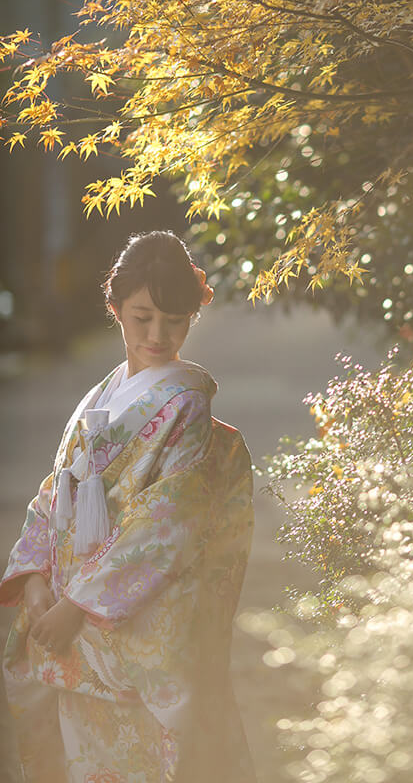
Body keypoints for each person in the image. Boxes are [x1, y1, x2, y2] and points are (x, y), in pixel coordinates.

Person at [0, 231, 257, 783]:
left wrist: (82, 605)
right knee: (84, 757)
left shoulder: (185, 403)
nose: (158, 335)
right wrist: (38, 575)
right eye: (142, 317)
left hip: (129, 620)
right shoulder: (102, 394)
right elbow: (57, 488)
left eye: (175, 319)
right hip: (69, 611)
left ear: (193, 316)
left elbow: (168, 520)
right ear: (114, 309)